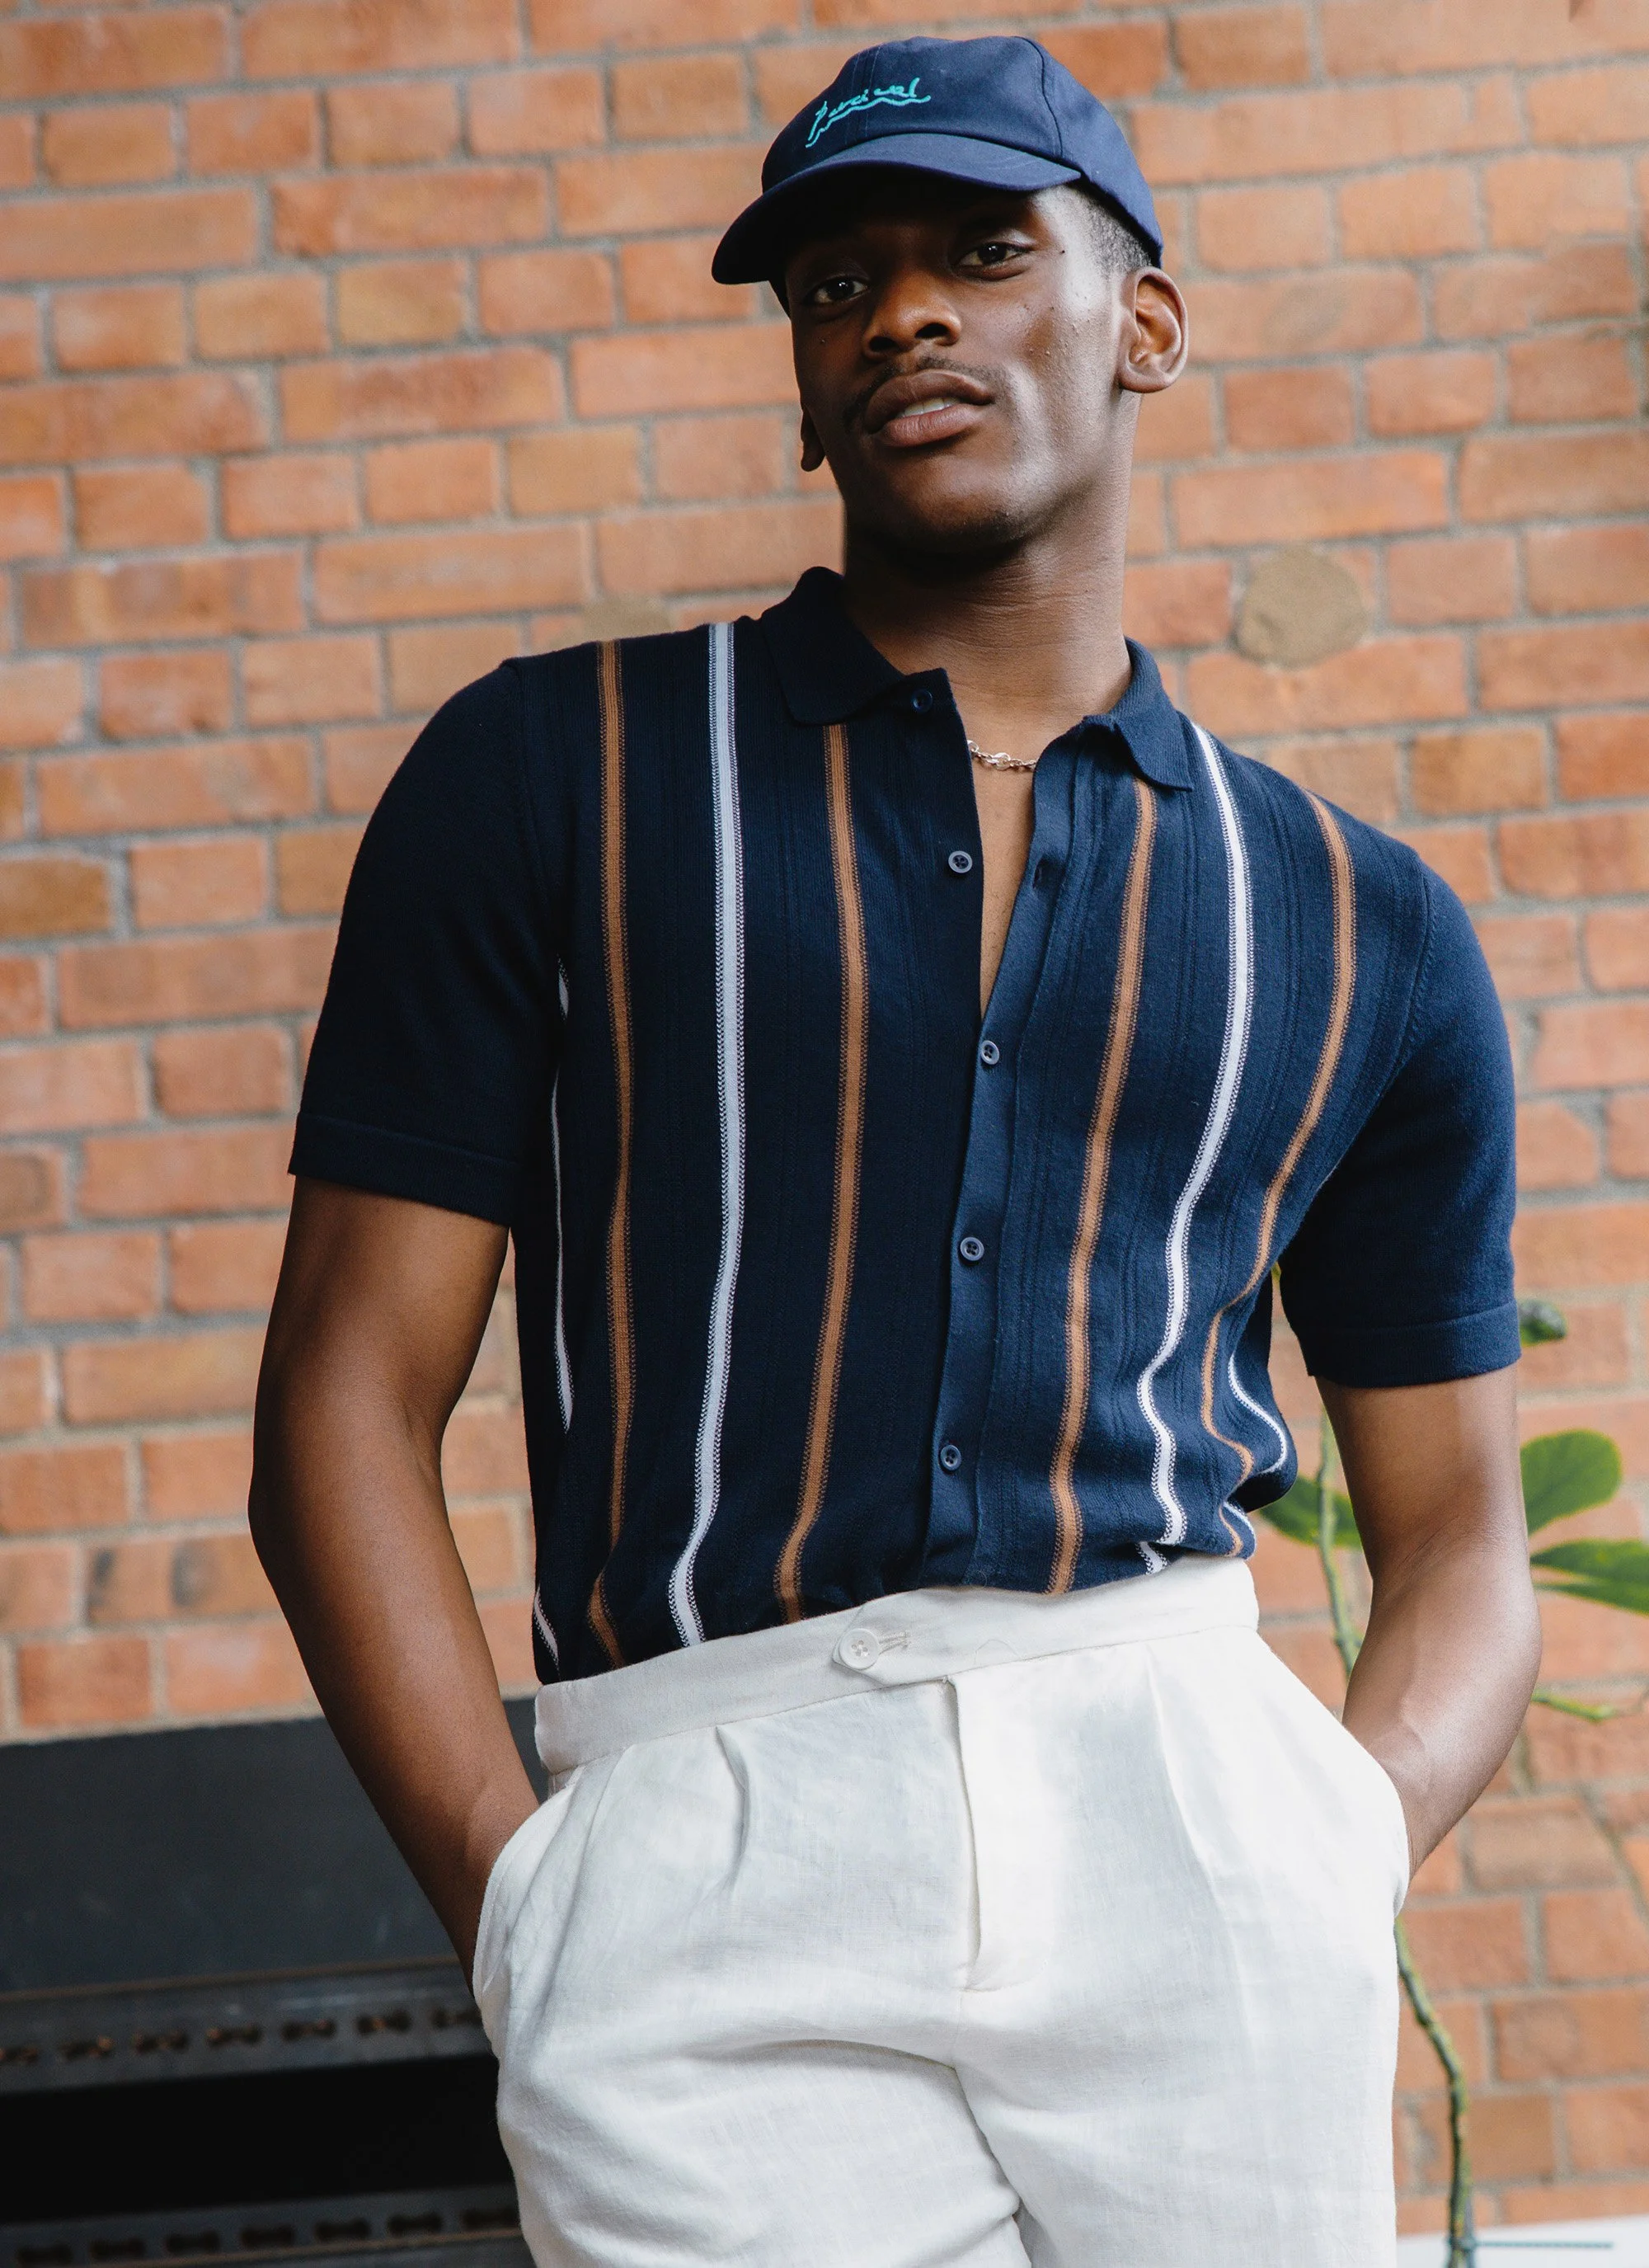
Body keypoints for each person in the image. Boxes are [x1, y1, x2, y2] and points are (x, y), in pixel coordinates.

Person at [251, 34, 1540, 2266]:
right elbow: (343, 1402)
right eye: (839, 284)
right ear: (802, 381)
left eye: (984, 252)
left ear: (1144, 323)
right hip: (706, 1835)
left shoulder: (1357, 923)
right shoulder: (550, 780)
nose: (906, 313)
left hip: (1192, 1818)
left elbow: (1460, 1528)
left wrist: (1338, 1831)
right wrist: (519, 1897)